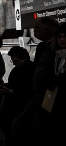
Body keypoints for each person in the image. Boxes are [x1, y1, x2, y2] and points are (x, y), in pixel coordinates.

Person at [11, 17, 58, 145]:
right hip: (36, 94)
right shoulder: (42, 46)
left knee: (36, 129)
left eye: (37, 28)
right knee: (19, 125)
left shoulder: (56, 47)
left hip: (49, 95)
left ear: (46, 30)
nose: (34, 30)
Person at [0, 46, 34, 146]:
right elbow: (12, 83)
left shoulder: (30, 70)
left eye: (16, 61)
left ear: (24, 58)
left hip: (20, 106)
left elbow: (27, 90)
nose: (13, 63)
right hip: (12, 105)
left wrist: (11, 91)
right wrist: (5, 86)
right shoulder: (17, 69)